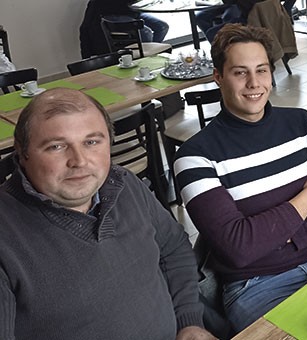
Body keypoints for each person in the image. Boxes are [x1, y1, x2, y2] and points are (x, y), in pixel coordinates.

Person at [173, 24, 307, 332]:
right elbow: (239, 248)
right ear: (218, 76)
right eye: (239, 72)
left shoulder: (303, 124)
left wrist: (275, 237)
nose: (254, 83)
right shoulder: (195, 157)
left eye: (261, 70)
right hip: (257, 286)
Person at [0, 88, 214, 340]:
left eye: (91, 142)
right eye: (56, 146)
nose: (79, 161)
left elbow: (173, 249)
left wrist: (188, 320)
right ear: (22, 152)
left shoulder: (124, 185)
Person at [94, 0, 170, 43]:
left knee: (162, 27)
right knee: (146, 32)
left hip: (133, 12)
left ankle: (152, 53)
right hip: (113, 14)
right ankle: (145, 58)